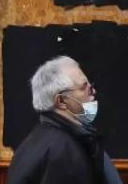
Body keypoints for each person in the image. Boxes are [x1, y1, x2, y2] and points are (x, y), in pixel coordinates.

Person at [7, 56, 121, 184]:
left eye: (91, 85)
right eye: (84, 88)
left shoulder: (34, 142)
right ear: (61, 101)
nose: (93, 91)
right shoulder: (63, 152)